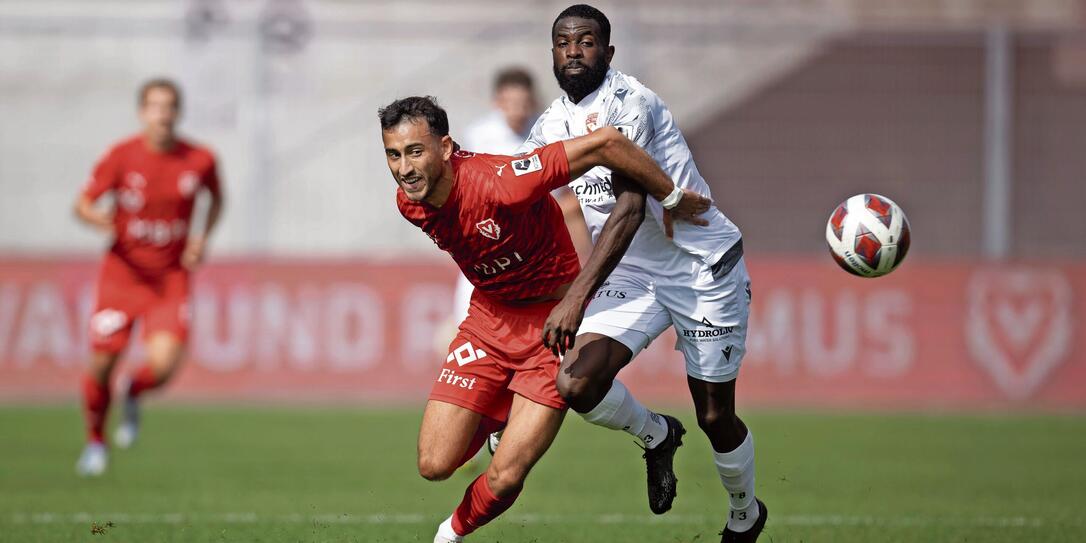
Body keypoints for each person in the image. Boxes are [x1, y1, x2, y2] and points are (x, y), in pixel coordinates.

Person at [379, 96, 707, 542]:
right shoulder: (409, 203)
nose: (404, 168)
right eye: (393, 155)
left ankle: (448, 535)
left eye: (415, 151)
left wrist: (669, 196)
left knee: (506, 475)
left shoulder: (501, 182)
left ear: (445, 147)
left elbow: (606, 142)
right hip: (488, 323)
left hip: (551, 327)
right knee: (434, 465)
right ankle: (503, 418)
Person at [521, 5, 768, 541]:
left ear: (608, 53)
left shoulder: (633, 105)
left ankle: (745, 514)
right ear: (553, 54)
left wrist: (574, 298)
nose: (574, 51)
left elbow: (630, 210)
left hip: (702, 269)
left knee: (714, 418)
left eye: (587, 42)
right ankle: (656, 434)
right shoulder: (549, 126)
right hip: (634, 271)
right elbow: (515, 197)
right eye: (564, 42)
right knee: (576, 382)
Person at [74, 78, 225, 477]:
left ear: (178, 112)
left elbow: (217, 198)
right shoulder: (121, 157)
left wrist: (201, 238)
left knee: (163, 367)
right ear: (143, 112)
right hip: (121, 277)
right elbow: (83, 204)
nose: (163, 114)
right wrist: (98, 218)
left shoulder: (200, 159)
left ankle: (133, 392)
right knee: (102, 364)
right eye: (155, 106)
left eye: (170, 106)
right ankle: (95, 442)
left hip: (170, 279)